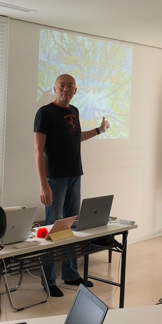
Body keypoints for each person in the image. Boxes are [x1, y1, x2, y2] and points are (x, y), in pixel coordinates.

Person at [34, 73, 110, 297]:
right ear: (55, 89)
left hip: (75, 176)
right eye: (62, 86)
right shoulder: (45, 113)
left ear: (75, 91)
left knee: (71, 227)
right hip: (55, 179)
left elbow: (75, 137)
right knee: (52, 228)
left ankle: (70, 274)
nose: (66, 89)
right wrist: (43, 184)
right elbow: (38, 150)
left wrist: (99, 130)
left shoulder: (74, 111)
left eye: (70, 86)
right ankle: (48, 280)